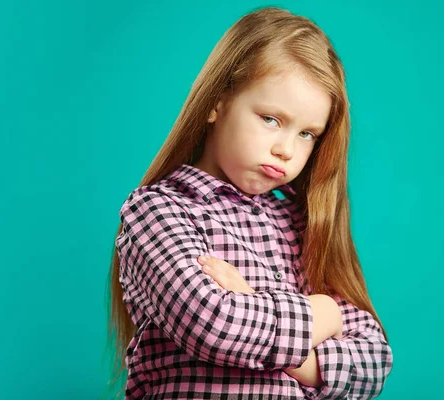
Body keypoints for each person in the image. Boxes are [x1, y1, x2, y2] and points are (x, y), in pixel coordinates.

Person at [107, 6, 393, 399]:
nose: (286, 149)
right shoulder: (158, 212)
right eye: (271, 119)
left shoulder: (301, 224)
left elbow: (374, 360)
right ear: (216, 102)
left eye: (308, 134)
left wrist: (258, 311)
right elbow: (213, 324)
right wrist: (322, 312)